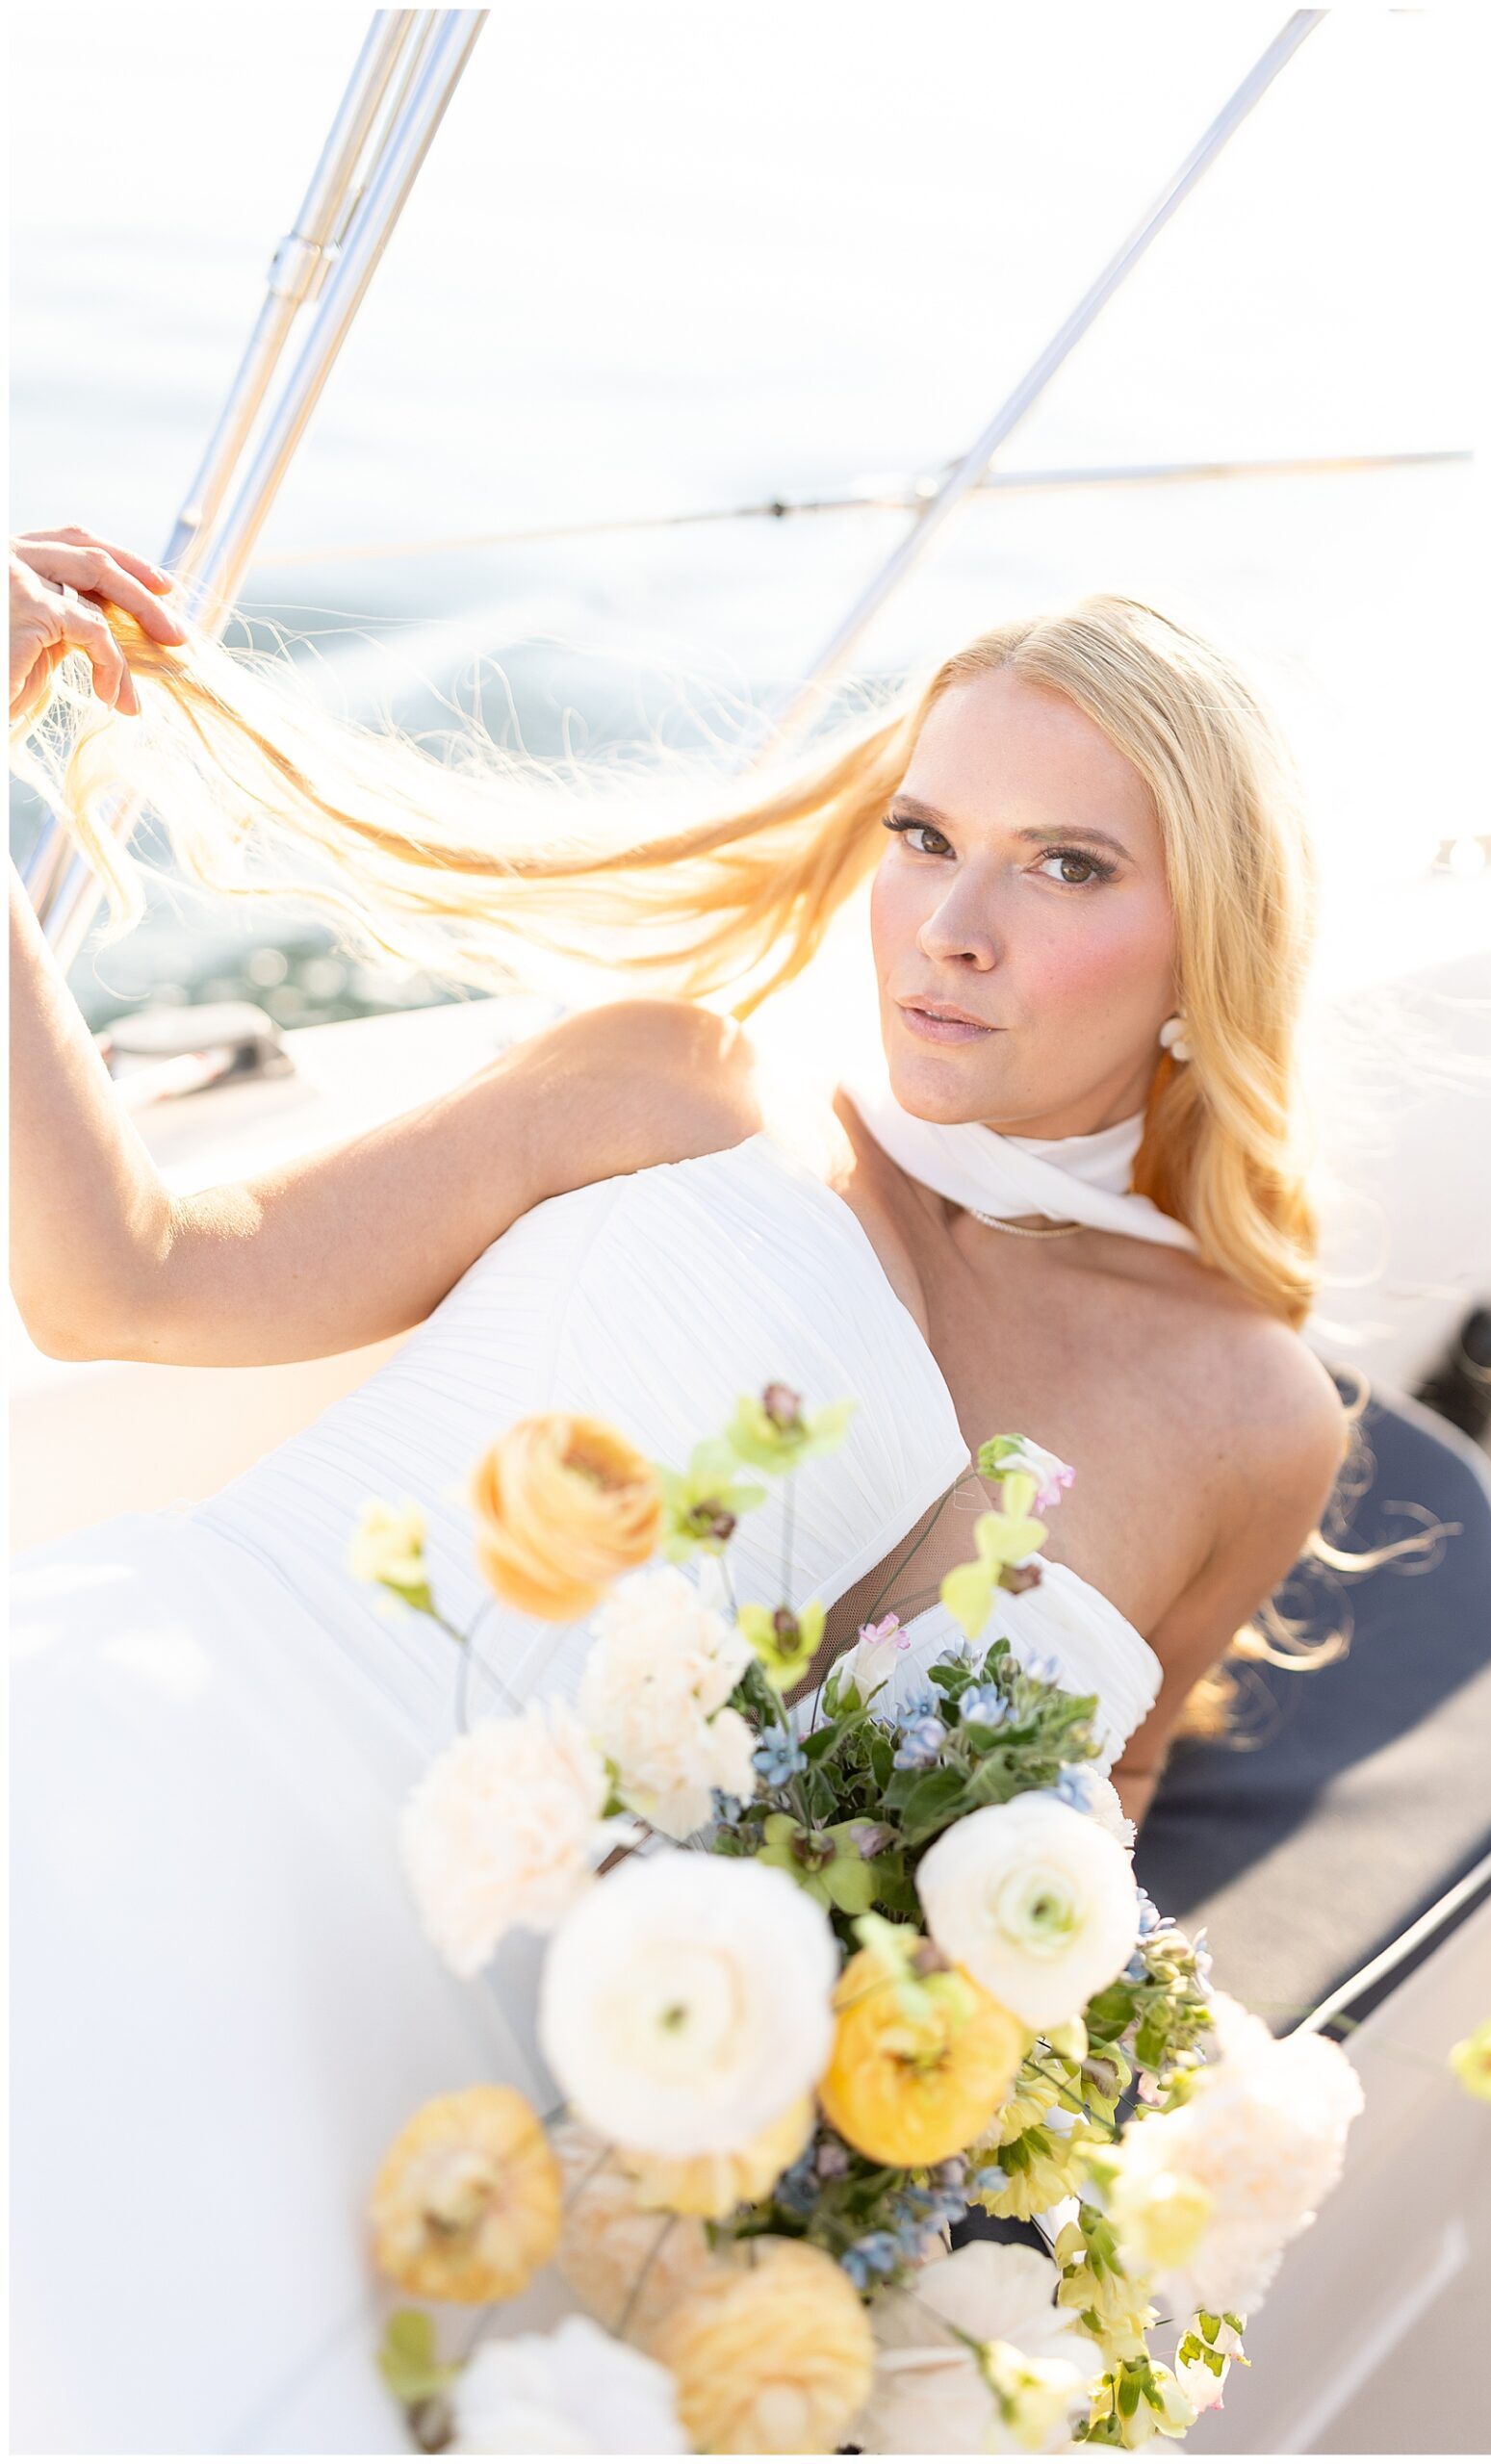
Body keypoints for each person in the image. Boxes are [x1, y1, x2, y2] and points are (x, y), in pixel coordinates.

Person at [9, 527, 1348, 2450]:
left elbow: (1075, 1845)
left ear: (1203, 939)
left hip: (489, 2067)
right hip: (155, 1734)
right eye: (921, 835)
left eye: (1064, 865)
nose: (948, 923)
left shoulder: (1244, 1413)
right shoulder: (668, 1089)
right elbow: (122, 1273)